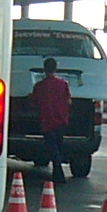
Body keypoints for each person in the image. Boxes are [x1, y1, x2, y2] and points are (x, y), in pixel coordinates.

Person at [32, 55, 73, 186]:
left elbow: (34, 102)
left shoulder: (39, 86)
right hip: (61, 120)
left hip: (47, 120)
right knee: (57, 146)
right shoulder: (63, 84)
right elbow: (69, 101)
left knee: (53, 147)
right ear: (56, 69)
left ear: (44, 69)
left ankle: (58, 173)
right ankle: (57, 172)